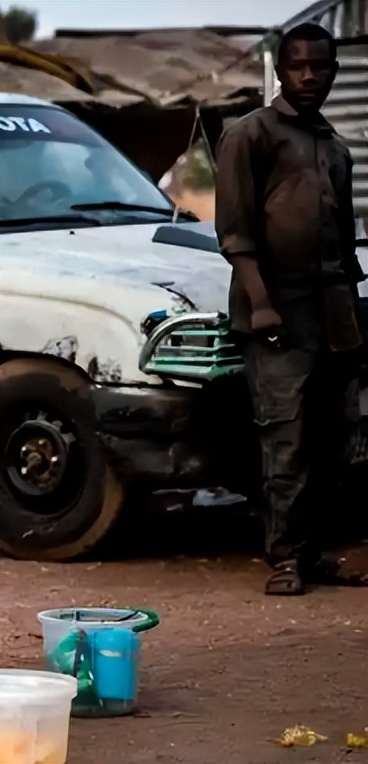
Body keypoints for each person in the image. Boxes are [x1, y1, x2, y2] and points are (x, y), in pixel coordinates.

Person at [215, 23, 365, 596]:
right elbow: (235, 231)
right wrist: (261, 305)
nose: (310, 77)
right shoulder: (250, 135)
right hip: (276, 310)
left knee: (336, 441)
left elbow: (343, 242)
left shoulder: (334, 145)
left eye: (320, 67)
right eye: (298, 66)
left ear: (333, 71)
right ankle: (284, 559)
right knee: (286, 438)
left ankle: (318, 552)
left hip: (334, 311)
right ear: (280, 69)